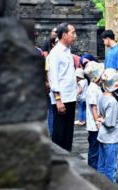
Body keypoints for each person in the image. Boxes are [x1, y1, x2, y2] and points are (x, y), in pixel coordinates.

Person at [48, 23, 77, 152]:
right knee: (59, 133)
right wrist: (58, 100)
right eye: (73, 33)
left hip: (70, 97)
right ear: (64, 35)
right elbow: (53, 78)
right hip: (61, 99)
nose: (75, 36)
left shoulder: (67, 51)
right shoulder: (55, 53)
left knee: (68, 133)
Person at [97, 68, 118, 183]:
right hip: (110, 139)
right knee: (110, 167)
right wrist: (103, 120)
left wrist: (101, 119)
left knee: (101, 165)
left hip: (102, 136)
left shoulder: (102, 96)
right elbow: (110, 123)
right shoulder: (112, 102)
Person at [101, 30, 118, 128]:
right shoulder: (109, 50)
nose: (103, 42)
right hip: (108, 82)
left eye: (103, 40)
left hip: (115, 83)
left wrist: (117, 83)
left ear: (107, 39)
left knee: (117, 103)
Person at [84, 61, 104, 170]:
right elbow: (94, 107)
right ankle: (92, 170)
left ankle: (95, 168)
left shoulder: (96, 88)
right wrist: (98, 122)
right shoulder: (92, 89)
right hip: (94, 126)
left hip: (96, 124)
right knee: (94, 149)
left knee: (96, 147)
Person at [43, 27, 58, 137]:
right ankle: (53, 135)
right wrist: (47, 81)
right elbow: (46, 69)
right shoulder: (49, 57)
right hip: (51, 86)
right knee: (52, 110)